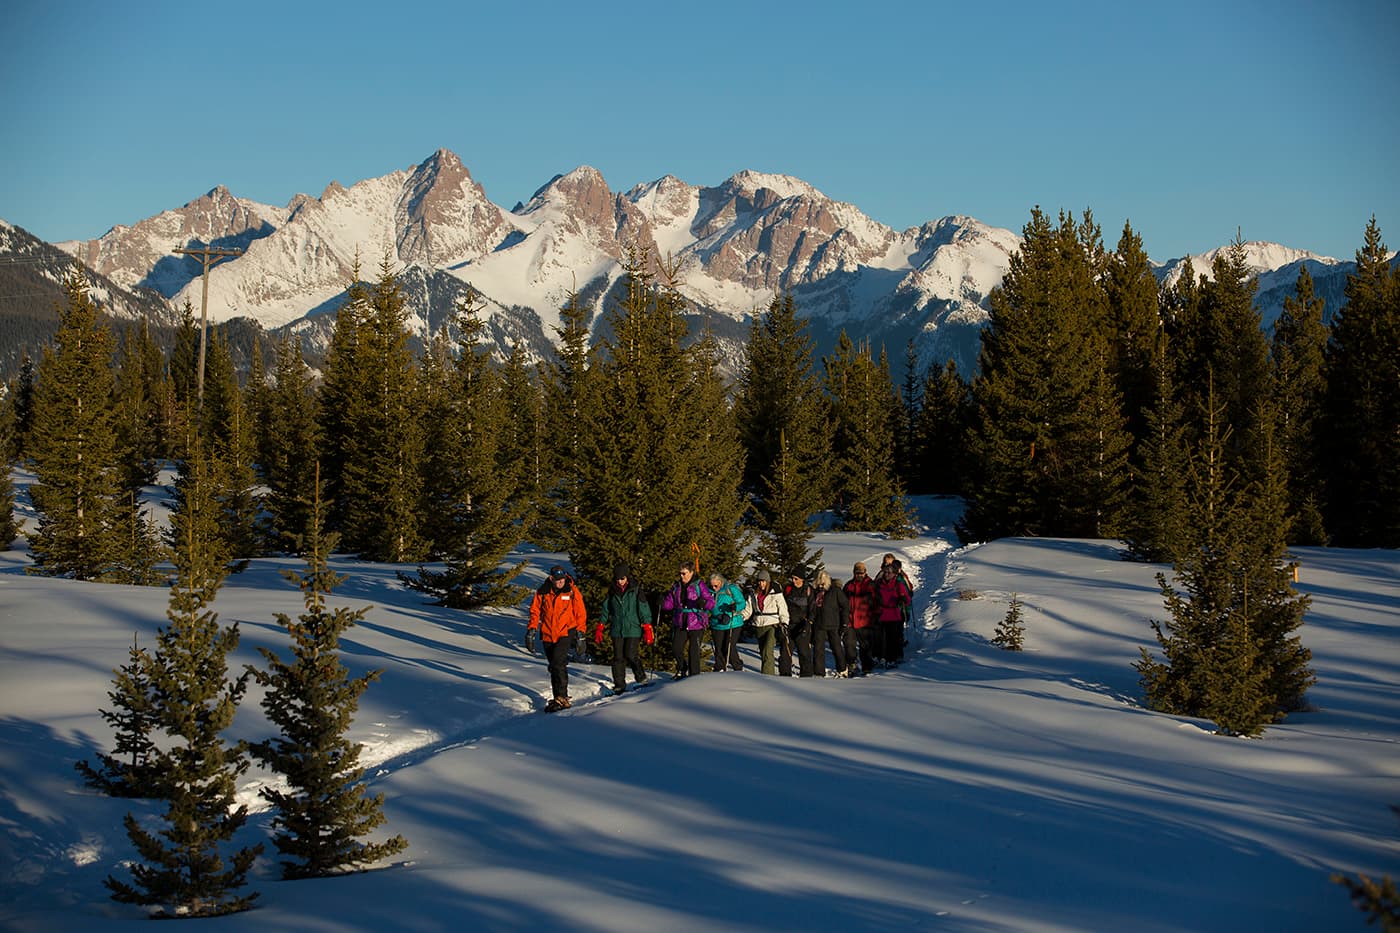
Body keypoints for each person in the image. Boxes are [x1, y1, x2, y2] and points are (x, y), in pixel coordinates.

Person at [527, 565, 588, 711]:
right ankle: (558, 698)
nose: (560, 582)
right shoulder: (543, 592)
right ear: (551, 578)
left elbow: (580, 612)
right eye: (557, 580)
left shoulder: (571, 591)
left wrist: (581, 634)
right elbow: (535, 611)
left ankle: (562, 697)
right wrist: (532, 630)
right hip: (548, 633)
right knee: (555, 666)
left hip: (566, 632)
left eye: (562, 579)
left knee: (557, 663)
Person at [595, 562, 653, 694]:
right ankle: (619, 684)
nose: (620, 581)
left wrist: (647, 626)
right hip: (617, 628)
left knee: (630, 654)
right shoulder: (612, 591)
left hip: (633, 628)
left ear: (627, 577)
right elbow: (606, 609)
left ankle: (641, 678)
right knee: (618, 657)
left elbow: (643, 608)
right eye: (617, 579)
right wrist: (600, 625)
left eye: (622, 578)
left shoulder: (635, 590)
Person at [660, 563, 713, 678]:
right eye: (680, 573)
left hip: (696, 622)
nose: (682, 576)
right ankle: (682, 668)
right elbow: (670, 604)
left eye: (684, 573)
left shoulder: (699, 585)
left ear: (691, 572)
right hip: (680, 621)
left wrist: (703, 603)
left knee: (693, 652)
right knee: (676, 648)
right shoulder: (676, 586)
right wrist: (663, 603)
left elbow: (711, 602)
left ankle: (694, 676)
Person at [749, 569, 791, 675]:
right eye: (759, 581)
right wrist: (740, 616)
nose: (761, 584)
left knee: (768, 651)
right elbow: (749, 609)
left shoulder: (775, 592)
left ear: (767, 581)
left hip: (772, 624)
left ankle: (768, 676)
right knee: (763, 652)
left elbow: (783, 608)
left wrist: (784, 622)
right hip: (759, 624)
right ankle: (767, 674)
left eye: (763, 581)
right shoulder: (754, 593)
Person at [874, 556, 912, 667]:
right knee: (881, 638)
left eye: (889, 573)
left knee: (893, 638)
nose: (886, 574)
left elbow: (907, 598)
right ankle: (882, 658)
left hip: (894, 614)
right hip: (882, 614)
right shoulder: (879, 584)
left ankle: (892, 658)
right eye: (885, 572)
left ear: (894, 574)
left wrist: (903, 599)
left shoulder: (898, 584)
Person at [810, 570, 850, 677]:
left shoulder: (835, 591)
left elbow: (845, 605)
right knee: (818, 649)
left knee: (836, 647)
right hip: (819, 624)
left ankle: (842, 669)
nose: (820, 585)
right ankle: (818, 672)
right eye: (819, 583)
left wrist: (844, 622)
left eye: (822, 583)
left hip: (833, 624)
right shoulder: (815, 592)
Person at [842, 561, 877, 676]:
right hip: (851, 620)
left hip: (865, 620)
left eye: (861, 573)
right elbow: (843, 602)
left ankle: (867, 667)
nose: (859, 575)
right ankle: (851, 664)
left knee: (865, 646)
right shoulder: (849, 586)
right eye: (857, 573)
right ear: (854, 573)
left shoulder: (870, 585)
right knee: (849, 644)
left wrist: (875, 617)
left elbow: (877, 602)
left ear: (865, 572)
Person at [708, 571, 747, 672]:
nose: (713, 588)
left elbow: (742, 603)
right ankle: (720, 667)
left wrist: (735, 607)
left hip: (733, 622)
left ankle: (737, 667)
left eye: (716, 586)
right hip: (717, 623)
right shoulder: (709, 592)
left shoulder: (731, 588)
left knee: (729, 646)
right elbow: (708, 606)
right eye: (712, 585)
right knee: (719, 647)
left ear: (721, 582)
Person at [784, 566, 816, 677]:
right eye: (792, 578)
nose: (794, 581)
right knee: (785, 653)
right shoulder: (788, 589)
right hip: (789, 625)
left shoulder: (808, 590)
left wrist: (809, 622)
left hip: (803, 626)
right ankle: (785, 676)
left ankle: (807, 677)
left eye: (796, 579)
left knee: (804, 653)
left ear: (802, 579)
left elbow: (812, 608)